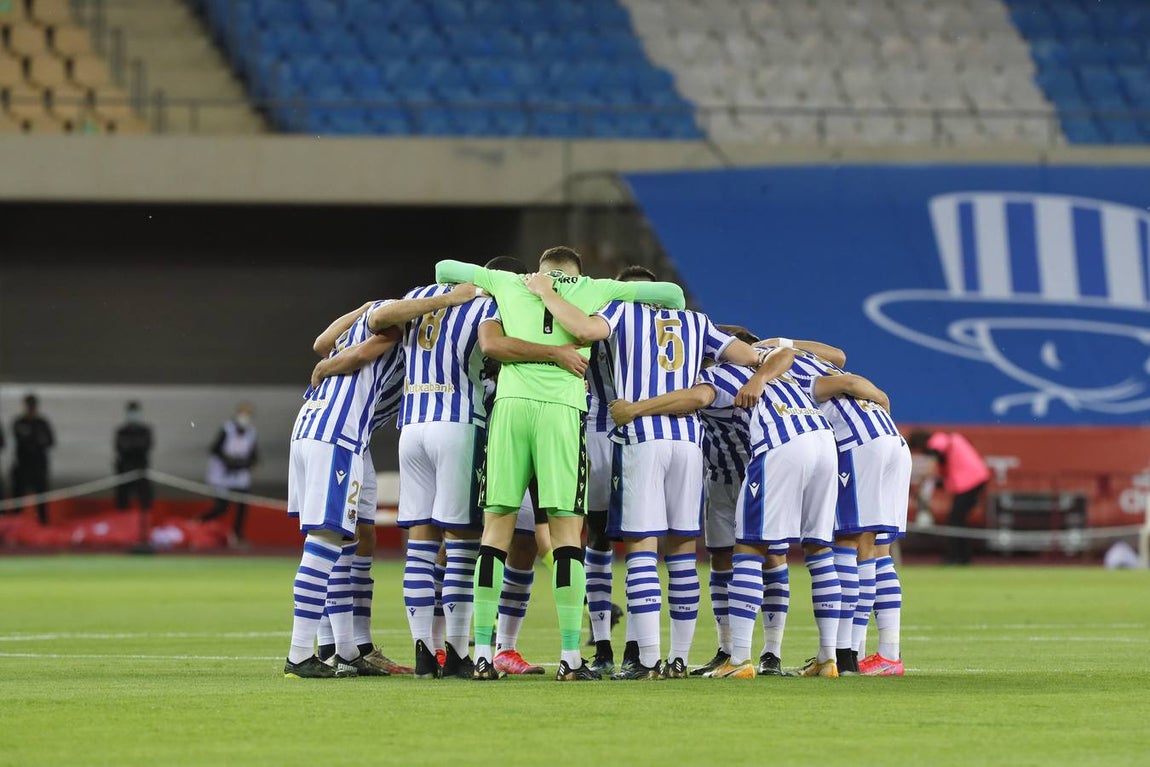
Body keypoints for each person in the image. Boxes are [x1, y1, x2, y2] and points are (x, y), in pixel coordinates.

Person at [435, 247, 685, 682]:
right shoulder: (594, 288)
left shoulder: (511, 282)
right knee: (567, 534)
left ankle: (482, 655)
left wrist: (495, 287)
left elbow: (444, 268)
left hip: (510, 409)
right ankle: (570, 657)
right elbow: (673, 295)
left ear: (541, 269)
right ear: (576, 271)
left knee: (495, 533)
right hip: (562, 411)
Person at [529, 270, 763, 681]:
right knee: (682, 552)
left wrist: (546, 292)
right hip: (688, 440)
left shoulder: (621, 310)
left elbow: (583, 329)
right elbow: (749, 355)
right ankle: (678, 659)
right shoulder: (697, 321)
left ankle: (647, 660)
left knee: (639, 548)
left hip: (640, 435)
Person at [283, 287, 474, 679]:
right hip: (337, 433)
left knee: (348, 539)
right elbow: (364, 343)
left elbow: (322, 344)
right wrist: (449, 299)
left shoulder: (370, 329)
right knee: (325, 541)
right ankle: (301, 653)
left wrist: (359, 313)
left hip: (318, 428)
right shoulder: (390, 325)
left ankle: (348, 649)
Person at [788, 346, 910, 676]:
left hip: (860, 444)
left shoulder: (792, 373)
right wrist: (785, 342)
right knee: (878, 549)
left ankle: (846, 654)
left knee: (848, 542)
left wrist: (882, 397)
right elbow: (839, 356)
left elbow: (850, 381)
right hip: (893, 442)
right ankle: (886, 654)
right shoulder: (812, 359)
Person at [310, 301, 413, 676]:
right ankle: (333, 646)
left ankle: (359, 644)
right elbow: (323, 345)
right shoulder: (385, 332)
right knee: (338, 536)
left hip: (361, 440)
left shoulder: (420, 348)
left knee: (363, 536)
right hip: (340, 433)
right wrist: (365, 308)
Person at [908, 429, 991, 565]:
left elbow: (930, 469)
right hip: (974, 479)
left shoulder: (937, 441)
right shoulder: (949, 440)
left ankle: (956, 557)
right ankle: (961, 557)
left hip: (970, 481)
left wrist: (919, 484)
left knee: (955, 520)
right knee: (958, 520)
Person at [201, 403, 259, 542]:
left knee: (242, 506)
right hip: (222, 474)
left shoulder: (251, 433)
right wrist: (228, 460)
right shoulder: (227, 429)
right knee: (221, 507)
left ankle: (237, 534)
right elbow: (215, 449)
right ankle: (200, 523)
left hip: (239, 475)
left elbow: (254, 455)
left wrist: (246, 463)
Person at [11, 394, 54, 525]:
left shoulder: (42, 422)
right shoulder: (19, 422)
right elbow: (24, 441)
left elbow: (50, 441)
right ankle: (16, 524)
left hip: (39, 466)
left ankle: (43, 524)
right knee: (19, 498)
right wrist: (36, 440)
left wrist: (32, 439)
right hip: (23, 466)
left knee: (41, 499)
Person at [113, 401, 154, 512]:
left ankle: (145, 516)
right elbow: (120, 447)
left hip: (141, 467)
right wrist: (135, 447)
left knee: (144, 496)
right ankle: (123, 517)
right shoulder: (121, 431)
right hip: (124, 468)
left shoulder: (145, 430)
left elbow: (146, 446)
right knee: (123, 496)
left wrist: (131, 447)